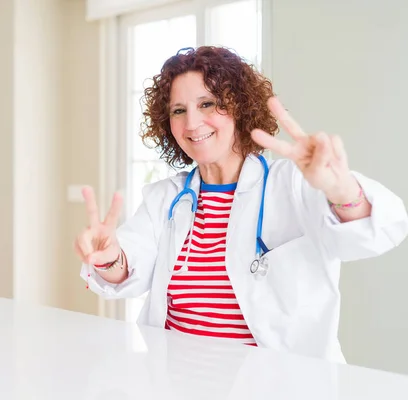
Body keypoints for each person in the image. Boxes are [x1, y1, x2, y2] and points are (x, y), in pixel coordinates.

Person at [74, 46, 408, 363]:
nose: (192, 123)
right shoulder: (165, 198)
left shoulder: (291, 184)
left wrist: (341, 189)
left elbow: (378, 231)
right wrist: (108, 259)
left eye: (207, 104)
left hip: (279, 386)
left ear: (239, 107)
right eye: (179, 110)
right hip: (175, 380)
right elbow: (127, 267)